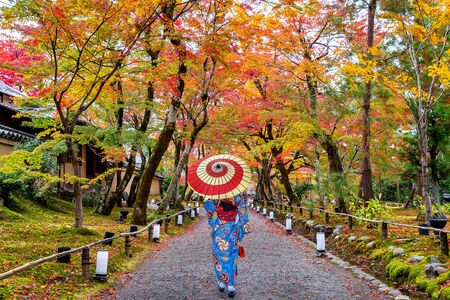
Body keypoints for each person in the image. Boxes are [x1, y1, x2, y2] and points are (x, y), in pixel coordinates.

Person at [204, 194, 250, 298]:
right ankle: (223, 281)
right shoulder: (216, 194)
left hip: (230, 230)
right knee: (219, 256)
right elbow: (242, 208)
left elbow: (241, 207)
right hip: (220, 231)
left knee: (231, 256)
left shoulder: (234, 195)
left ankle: (229, 283)